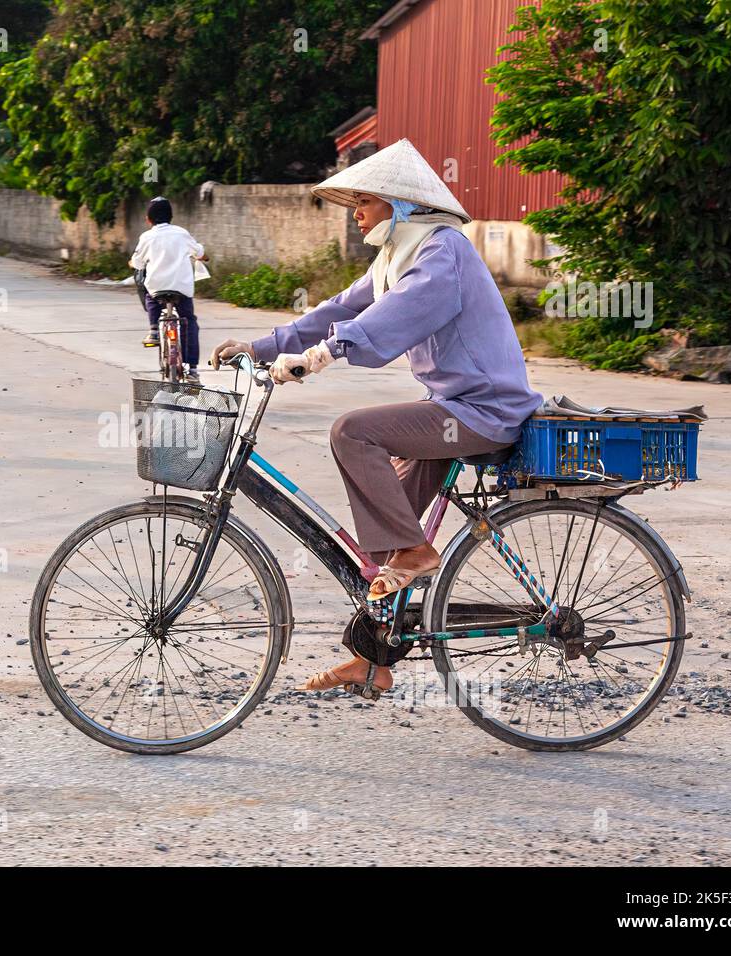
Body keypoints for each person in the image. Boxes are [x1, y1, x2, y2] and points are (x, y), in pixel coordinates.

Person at [209, 138, 543, 697]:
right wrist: (264, 346)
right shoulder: (398, 256)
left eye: (364, 200)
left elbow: (392, 316)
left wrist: (323, 355)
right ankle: (372, 659)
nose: (356, 212)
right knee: (380, 552)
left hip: (484, 411)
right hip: (452, 410)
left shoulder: (443, 254)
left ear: (401, 203)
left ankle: (416, 553)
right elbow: (342, 308)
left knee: (353, 431)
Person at [130, 196, 208, 384]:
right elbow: (199, 252)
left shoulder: (147, 237)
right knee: (189, 321)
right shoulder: (181, 233)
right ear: (171, 216)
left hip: (157, 288)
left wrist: (132, 262)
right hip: (181, 289)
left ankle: (154, 329)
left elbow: (138, 263)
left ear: (148, 219)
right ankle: (192, 369)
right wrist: (204, 257)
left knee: (148, 292)